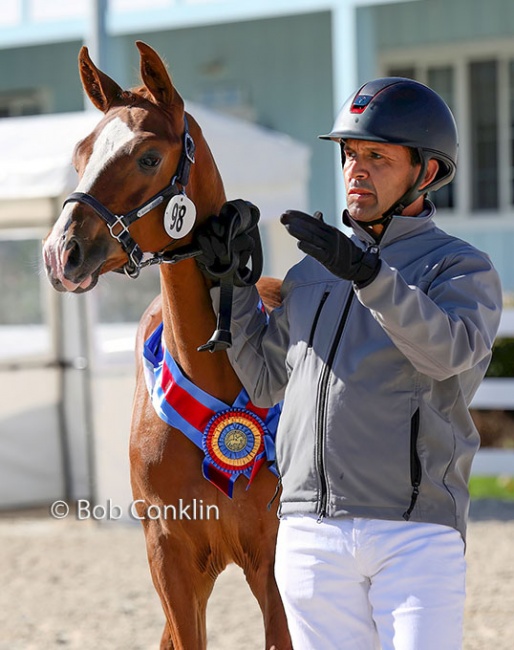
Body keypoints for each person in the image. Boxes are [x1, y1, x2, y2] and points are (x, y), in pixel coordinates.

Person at [196, 77, 503, 650]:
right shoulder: (311, 271)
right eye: (350, 154)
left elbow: (449, 356)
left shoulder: (462, 267)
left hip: (414, 536)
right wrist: (230, 288)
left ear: (427, 173)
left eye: (377, 156)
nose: (356, 169)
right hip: (310, 533)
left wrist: (369, 276)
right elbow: (264, 383)